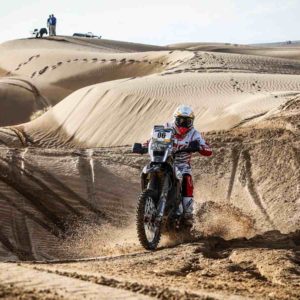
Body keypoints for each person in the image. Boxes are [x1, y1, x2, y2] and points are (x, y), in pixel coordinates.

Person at [144, 105, 212, 225]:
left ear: (192, 122)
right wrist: (144, 145)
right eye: (180, 120)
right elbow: (152, 140)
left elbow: (208, 149)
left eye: (187, 121)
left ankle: (188, 213)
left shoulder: (194, 134)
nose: (183, 124)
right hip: (163, 160)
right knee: (147, 171)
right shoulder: (166, 128)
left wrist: (199, 147)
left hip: (182, 165)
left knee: (186, 177)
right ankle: (147, 200)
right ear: (175, 119)